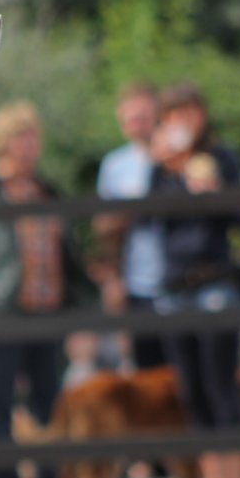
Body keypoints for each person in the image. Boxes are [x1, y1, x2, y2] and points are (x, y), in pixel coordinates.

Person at [0, 101, 96, 478]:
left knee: (49, 409)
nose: (31, 145)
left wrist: (83, 309)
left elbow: (69, 257)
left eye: (34, 137)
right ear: (4, 142)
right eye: (24, 137)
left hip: (48, 316)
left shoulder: (48, 192)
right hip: (1, 315)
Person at [147, 82, 240, 478]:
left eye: (189, 112)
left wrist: (210, 190)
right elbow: (151, 217)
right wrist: (170, 170)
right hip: (176, 289)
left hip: (216, 284)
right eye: (174, 114)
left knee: (222, 386)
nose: (183, 122)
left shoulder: (223, 158)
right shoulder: (162, 168)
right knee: (193, 392)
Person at [93, 82, 164, 371]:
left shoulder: (174, 156)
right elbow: (103, 228)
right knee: (145, 371)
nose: (136, 124)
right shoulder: (115, 165)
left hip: (177, 284)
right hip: (137, 282)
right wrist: (112, 280)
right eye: (130, 119)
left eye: (143, 116)